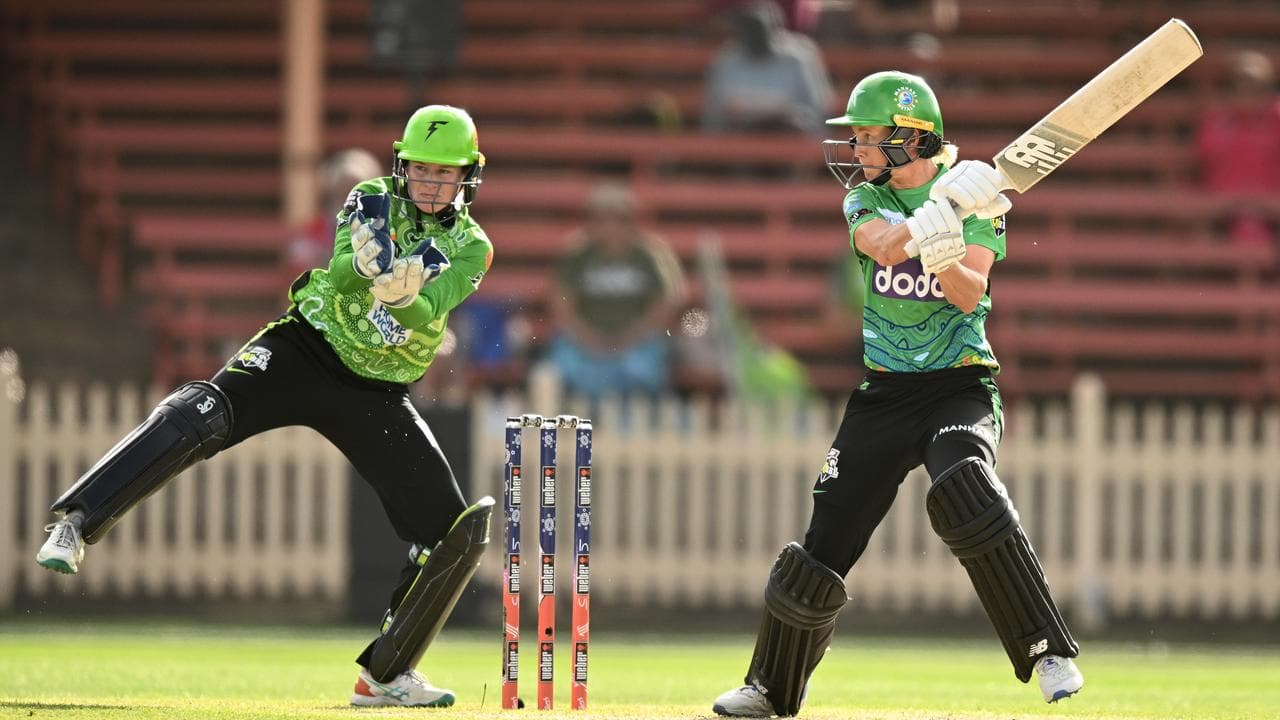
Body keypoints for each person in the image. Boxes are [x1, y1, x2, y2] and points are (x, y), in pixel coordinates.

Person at [36, 105, 496, 709]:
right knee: (203, 409)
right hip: (304, 349)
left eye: (445, 174)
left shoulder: (471, 246)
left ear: (468, 177)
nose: (430, 184)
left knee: (450, 531)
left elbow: (429, 308)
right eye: (420, 170)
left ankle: (386, 674)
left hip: (378, 391)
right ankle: (75, 523)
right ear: (401, 164)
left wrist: (404, 296)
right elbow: (339, 269)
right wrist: (363, 269)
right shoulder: (371, 198)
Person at [711, 71, 1083, 717]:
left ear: (910, 137)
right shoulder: (868, 202)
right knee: (826, 535)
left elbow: (970, 294)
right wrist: (944, 212)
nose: (855, 151)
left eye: (866, 137)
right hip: (884, 393)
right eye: (852, 137)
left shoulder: (980, 201)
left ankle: (1047, 649)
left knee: (965, 483)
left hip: (959, 385)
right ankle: (769, 689)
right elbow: (881, 247)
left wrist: (950, 237)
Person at [548, 182, 687, 401]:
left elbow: (669, 300)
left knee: (643, 370)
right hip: (584, 342)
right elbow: (561, 303)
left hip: (639, 341)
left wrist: (631, 337)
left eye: (619, 219)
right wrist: (589, 339)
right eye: (602, 219)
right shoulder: (576, 253)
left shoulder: (652, 254)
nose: (611, 226)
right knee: (562, 367)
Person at [701, 0, 834, 134]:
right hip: (739, 139)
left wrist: (785, 112)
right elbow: (714, 117)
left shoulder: (800, 58)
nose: (757, 35)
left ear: (777, 28)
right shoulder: (727, 60)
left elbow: (819, 112)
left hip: (791, 138)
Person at [1194, 49, 1280, 249]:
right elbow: (1204, 161)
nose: (1247, 92)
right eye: (1240, 85)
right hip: (1222, 205)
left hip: (1272, 204)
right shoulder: (1215, 121)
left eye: (1255, 86)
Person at [285, 148, 384, 276]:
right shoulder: (311, 235)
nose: (350, 200)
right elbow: (297, 264)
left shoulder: (386, 232)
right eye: (343, 191)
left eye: (358, 193)